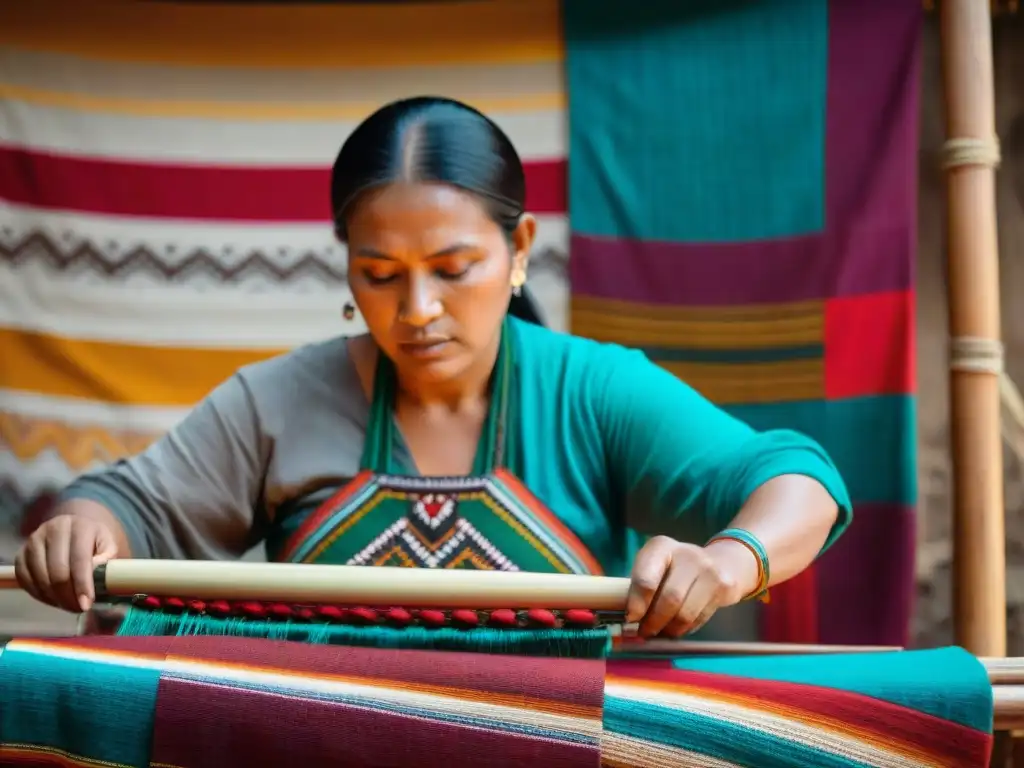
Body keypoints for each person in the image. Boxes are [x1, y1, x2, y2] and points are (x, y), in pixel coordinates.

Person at [14, 96, 852, 639]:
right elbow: (130, 508)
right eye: (380, 275)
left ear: (518, 249)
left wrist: (730, 559)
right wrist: (88, 524)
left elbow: (796, 478)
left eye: (452, 268)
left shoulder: (593, 394)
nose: (416, 310)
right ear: (347, 268)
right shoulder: (275, 404)